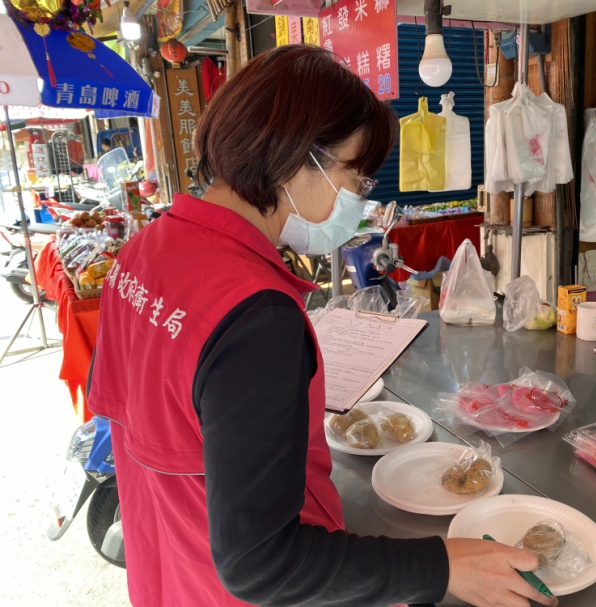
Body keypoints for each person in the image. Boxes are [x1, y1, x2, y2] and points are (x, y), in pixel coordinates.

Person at [89, 45, 557, 607]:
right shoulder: (254, 316)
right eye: (355, 175)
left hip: (166, 574)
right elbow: (261, 565)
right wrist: (441, 567)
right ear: (297, 156)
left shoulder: (143, 252)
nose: (359, 197)